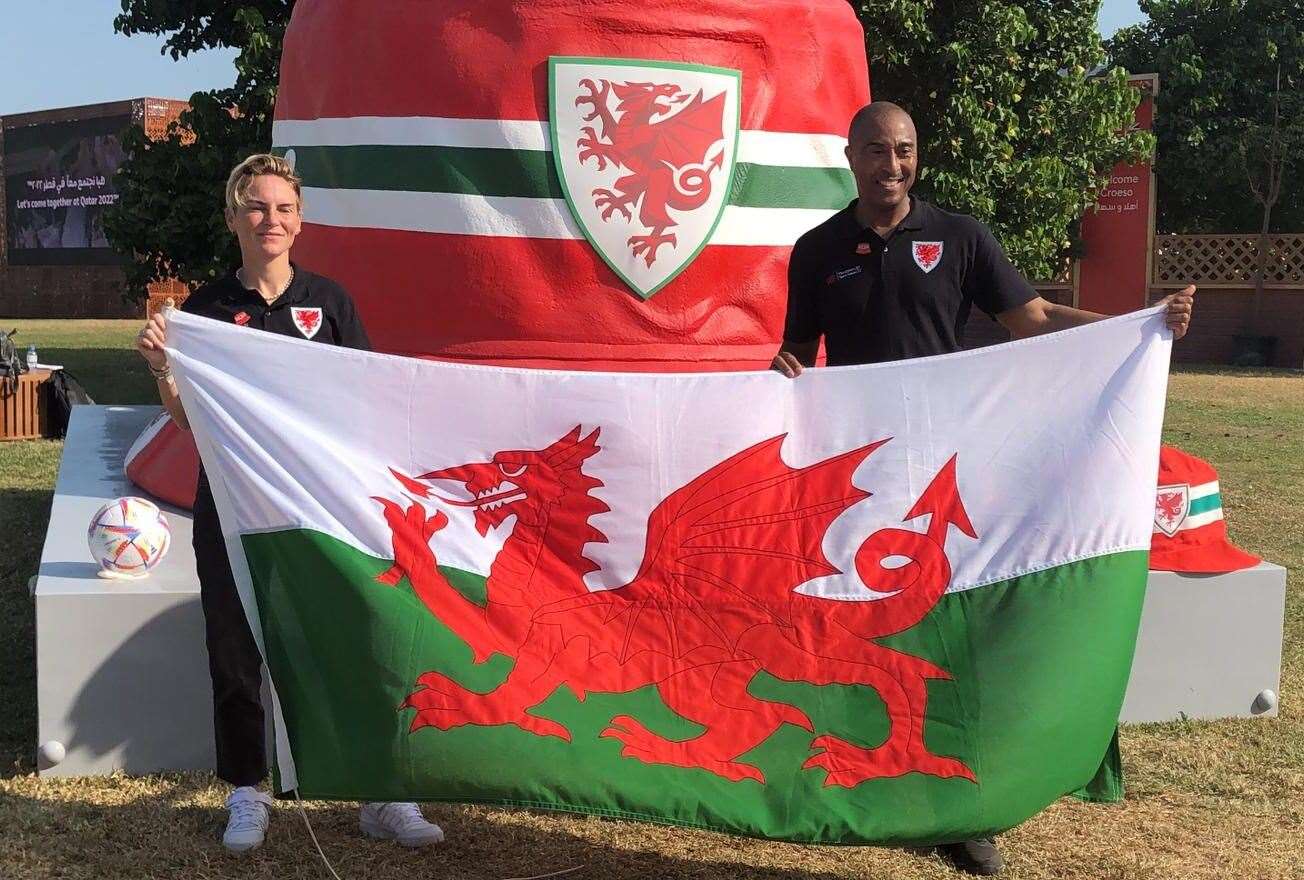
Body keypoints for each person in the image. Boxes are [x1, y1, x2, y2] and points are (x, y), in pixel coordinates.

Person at [771, 103, 1194, 876]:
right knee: (859, 625)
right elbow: (797, 353)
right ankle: (865, 772)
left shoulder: (959, 236)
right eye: (875, 151)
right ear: (850, 157)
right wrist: (784, 370)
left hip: (947, 472)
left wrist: (1138, 324)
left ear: (916, 157)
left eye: (903, 151)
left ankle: (961, 811)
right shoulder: (816, 250)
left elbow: (1029, 318)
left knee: (948, 623)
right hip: (859, 472)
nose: (890, 165)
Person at [136, 154, 446, 854]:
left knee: (356, 642)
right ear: (232, 218)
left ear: (300, 220)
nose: (269, 219)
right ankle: (248, 791)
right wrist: (162, 366)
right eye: (256, 206)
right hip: (234, 505)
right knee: (236, 647)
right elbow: (190, 420)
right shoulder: (207, 312)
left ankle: (380, 792)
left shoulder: (330, 303)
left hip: (321, 508)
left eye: (282, 208)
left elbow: (362, 402)